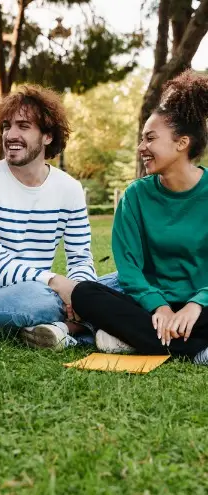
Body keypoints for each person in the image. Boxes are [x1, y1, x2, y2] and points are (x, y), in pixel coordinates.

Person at [71, 70, 208, 364]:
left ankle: (140, 340)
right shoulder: (135, 196)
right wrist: (159, 307)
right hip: (150, 307)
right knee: (84, 293)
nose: (141, 148)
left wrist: (196, 304)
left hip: (202, 307)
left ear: (181, 143)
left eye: (150, 138)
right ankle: (193, 350)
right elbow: (129, 270)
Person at [0, 84, 97, 350]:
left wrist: (78, 291)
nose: (10, 135)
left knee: (119, 283)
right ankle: (88, 325)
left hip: (42, 288)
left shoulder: (69, 188)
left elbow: (80, 257)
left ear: (47, 136)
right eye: (6, 126)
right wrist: (57, 284)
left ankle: (58, 329)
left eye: (23, 126)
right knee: (38, 300)